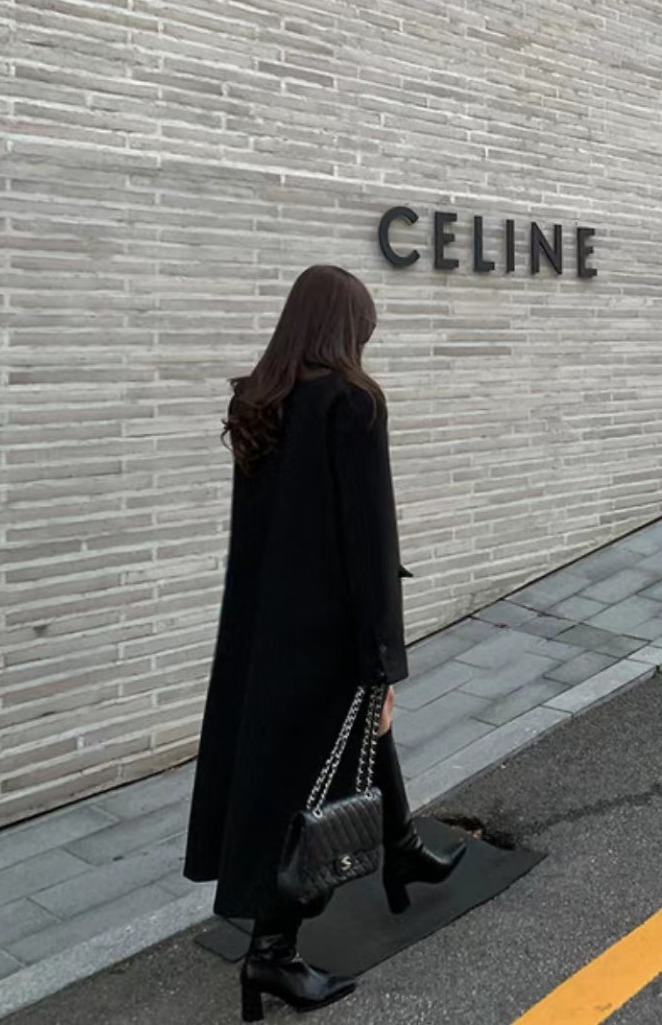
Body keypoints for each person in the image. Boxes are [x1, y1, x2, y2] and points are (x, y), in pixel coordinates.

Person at [183, 265, 465, 1022]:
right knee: (304, 785)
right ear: (346, 328)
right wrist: (384, 657)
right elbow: (368, 540)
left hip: (264, 626)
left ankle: (400, 848)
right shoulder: (351, 401)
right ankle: (271, 954)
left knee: (341, 747)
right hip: (332, 629)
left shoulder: (257, 399)